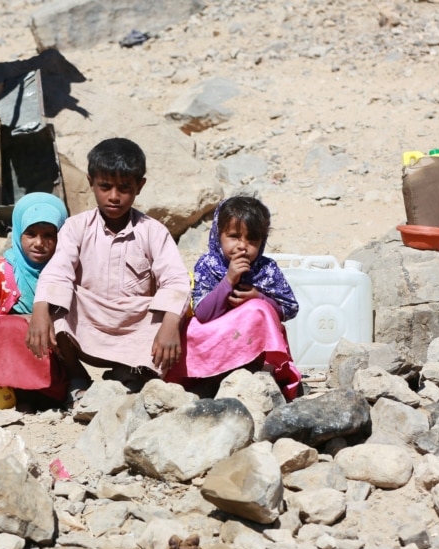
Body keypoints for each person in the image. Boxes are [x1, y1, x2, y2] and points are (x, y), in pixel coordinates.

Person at [27, 138, 190, 400]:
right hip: (87, 321)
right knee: (56, 309)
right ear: (91, 182)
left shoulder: (153, 231)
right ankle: (77, 375)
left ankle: (126, 374)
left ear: (140, 186)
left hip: (134, 324)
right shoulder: (76, 227)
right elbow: (58, 271)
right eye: (105, 186)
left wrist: (171, 324)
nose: (114, 196)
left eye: (124, 188)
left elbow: (176, 281)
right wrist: (39, 310)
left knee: (172, 317)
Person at [169, 195, 302, 400]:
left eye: (252, 240)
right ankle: (205, 377)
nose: (242, 246)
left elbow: (290, 308)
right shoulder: (208, 265)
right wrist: (228, 281)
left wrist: (260, 297)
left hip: (251, 348)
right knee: (190, 326)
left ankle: (258, 374)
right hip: (213, 339)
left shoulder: (266, 269)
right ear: (217, 234)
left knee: (259, 309)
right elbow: (203, 314)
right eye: (234, 236)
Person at [0, 192, 69, 409]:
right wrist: (21, 319)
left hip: (54, 354)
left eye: (49, 235)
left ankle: (56, 390)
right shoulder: (1, 271)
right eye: (30, 234)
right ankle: (24, 395)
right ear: (17, 233)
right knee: (10, 325)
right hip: (12, 356)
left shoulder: (67, 270)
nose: (39, 243)